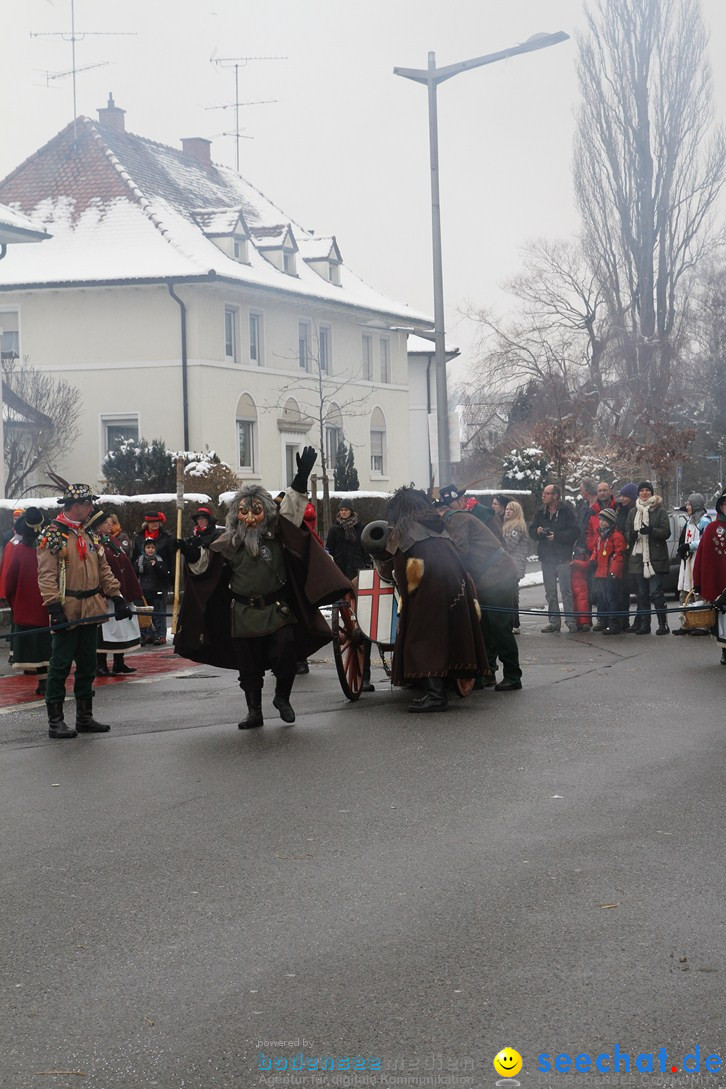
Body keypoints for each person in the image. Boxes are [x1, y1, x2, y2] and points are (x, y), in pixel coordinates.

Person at [174, 447, 352, 728]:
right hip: (242, 612)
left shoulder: (278, 533)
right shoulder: (229, 542)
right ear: (236, 515)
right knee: (249, 665)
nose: (250, 517)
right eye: (243, 512)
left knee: (285, 651)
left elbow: (292, 508)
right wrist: (191, 553)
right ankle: (254, 711)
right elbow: (206, 566)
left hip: (276, 609)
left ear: (265, 512)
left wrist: (301, 478)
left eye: (256, 511)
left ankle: (282, 697)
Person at [378, 487, 487, 712]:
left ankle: (436, 695)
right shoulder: (438, 524)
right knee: (445, 634)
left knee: (422, 638)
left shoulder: (403, 529)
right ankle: (440, 685)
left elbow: (399, 569)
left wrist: (405, 592)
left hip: (430, 586)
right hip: (456, 582)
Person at [37, 482, 130, 739]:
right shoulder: (54, 534)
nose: (92, 508)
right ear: (75, 506)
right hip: (67, 609)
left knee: (88, 664)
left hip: (92, 608)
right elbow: (46, 576)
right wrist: (54, 606)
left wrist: (117, 596)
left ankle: (84, 717)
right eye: (88, 503)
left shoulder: (90, 534)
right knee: (60, 665)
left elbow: (104, 570)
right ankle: (55, 721)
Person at [439, 488, 521, 691]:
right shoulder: (458, 518)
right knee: (485, 628)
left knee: (500, 628)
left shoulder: (457, 519)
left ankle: (513, 676)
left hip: (498, 576)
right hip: (488, 577)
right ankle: (488, 673)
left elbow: (461, 550)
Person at [324, 498, 374, 689]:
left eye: (347, 510)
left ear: (352, 512)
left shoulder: (361, 529)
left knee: (364, 620)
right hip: (341, 573)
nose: (344, 512)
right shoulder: (334, 530)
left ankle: (366, 675)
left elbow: (366, 549)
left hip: (360, 575)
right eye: (342, 510)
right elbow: (329, 549)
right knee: (348, 616)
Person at [87, 509, 143, 674]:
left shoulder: (111, 540)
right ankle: (101, 664)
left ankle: (119, 662)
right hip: (105, 594)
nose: (109, 524)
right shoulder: (94, 542)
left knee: (121, 627)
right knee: (105, 630)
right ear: (97, 526)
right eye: (105, 522)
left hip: (120, 592)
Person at [4, 508, 51, 695]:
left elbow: (10, 582)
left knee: (34, 647)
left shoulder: (19, 551)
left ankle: (43, 681)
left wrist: (14, 603)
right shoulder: (49, 548)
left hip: (26, 607)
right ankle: (49, 680)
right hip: (49, 604)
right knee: (49, 643)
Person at [529, 484, 579, 633]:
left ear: (555, 496)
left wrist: (557, 536)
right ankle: (554, 622)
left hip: (562, 557)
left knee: (566, 592)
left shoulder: (566, 511)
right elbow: (531, 531)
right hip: (546, 558)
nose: (543, 495)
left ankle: (570, 621)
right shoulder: (540, 512)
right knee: (550, 593)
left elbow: (575, 531)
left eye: (546, 493)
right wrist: (537, 531)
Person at [626, 481, 672, 635]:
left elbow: (666, 532)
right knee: (642, 593)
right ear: (638, 493)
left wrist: (651, 530)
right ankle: (644, 625)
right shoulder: (633, 512)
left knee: (656, 592)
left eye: (647, 490)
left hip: (655, 559)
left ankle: (662, 624)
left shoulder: (660, 511)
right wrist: (631, 535)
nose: (644, 493)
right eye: (642, 490)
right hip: (638, 559)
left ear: (651, 493)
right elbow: (627, 531)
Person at [693, 488, 726, 666]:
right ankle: (725, 649)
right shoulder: (712, 528)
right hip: (719, 581)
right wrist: (698, 582)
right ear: (721, 507)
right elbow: (702, 557)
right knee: (722, 620)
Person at [672, 492, 712, 636]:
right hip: (688, 560)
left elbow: (705, 541)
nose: (687, 507)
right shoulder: (690, 521)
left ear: (695, 505)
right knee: (684, 591)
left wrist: (690, 546)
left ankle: (702, 625)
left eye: (689, 504)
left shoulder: (704, 521)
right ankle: (687, 623)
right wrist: (683, 548)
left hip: (698, 560)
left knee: (697, 592)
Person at [132, 510, 175, 642]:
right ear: (147, 523)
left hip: (160, 577)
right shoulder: (139, 538)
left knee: (159, 607)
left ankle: (160, 634)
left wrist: (169, 575)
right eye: (152, 522)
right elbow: (134, 557)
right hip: (143, 579)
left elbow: (172, 559)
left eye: (157, 522)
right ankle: (147, 633)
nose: (155, 524)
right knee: (145, 607)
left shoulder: (167, 538)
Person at [590, 507, 628, 633]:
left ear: (610, 521)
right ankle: (603, 620)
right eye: (600, 519)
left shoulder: (616, 536)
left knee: (612, 599)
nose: (601, 522)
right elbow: (596, 550)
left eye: (604, 520)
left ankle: (614, 623)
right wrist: (592, 560)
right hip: (600, 572)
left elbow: (618, 555)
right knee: (602, 598)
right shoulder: (600, 536)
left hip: (610, 574)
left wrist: (613, 572)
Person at [502, 500, 530, 633]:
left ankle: (514, 623)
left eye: (511, 510)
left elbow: (510, 545)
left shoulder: (517, 526)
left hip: (514, 565)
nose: (507, 511)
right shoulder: (506, 524)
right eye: (507, 509)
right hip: (509, 565)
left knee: (512, 595)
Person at [136, 540, 171, 645]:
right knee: (144, 615)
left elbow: (165, 574)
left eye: (152, 548)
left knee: (157, 615)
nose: (150, 550)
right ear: (144, 549)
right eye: (148, 547)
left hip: (156, 590)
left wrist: (156, 566)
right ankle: (144, 635)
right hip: (144, 591)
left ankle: (158, 635)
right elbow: (135, 573)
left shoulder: (159, 560)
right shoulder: (140, 561)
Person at [615, 483, 638, 631]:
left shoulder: (636, 512)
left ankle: (639, 620)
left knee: (637, 589)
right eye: (621, 495)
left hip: (634, 553)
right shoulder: (619, 511)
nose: (622, 498)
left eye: (625, 496)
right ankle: (623, 620)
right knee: (621, 590)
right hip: (622, 553)